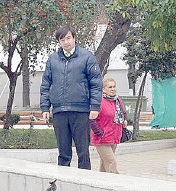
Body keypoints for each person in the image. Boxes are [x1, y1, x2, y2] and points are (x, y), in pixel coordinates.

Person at [40, 25, 103, 170]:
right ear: (59, 42)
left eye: (68, 38)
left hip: (80, 111)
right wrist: (45, 107)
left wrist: (95, 106)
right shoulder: (52, 60)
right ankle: (62, 182)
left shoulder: (87, 57)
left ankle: (84, 182)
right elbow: (46, 84)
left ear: (74, 38)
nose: (66, 42)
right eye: (62, 39)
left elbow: (96, 83)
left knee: (83, 152)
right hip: (59, 112)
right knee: (63, 153)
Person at [89, 78, 127, 174]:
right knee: (111, 162)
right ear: (103, 89)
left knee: (104, 163)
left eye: (114, 86)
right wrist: (100, 133)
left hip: (114, 137)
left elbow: (123, 112)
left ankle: (101, 184)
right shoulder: (99, 102)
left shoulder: (117, 100)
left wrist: (125, 120)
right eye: (110, 87)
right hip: (102, 139)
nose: (113, 89)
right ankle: (118, 184)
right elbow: (92, 120)